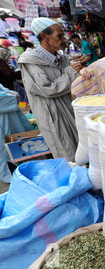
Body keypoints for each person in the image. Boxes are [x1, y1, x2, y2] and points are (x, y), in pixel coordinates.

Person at [18, 17, 83, 162]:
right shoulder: (30, 62)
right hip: (52, 116)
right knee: (67, 155)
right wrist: (71, 73)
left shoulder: (63, 58)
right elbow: (47, 89)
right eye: (59, 36)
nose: (63, 39)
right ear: (44, 36)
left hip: (70, 110)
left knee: (81, 150)